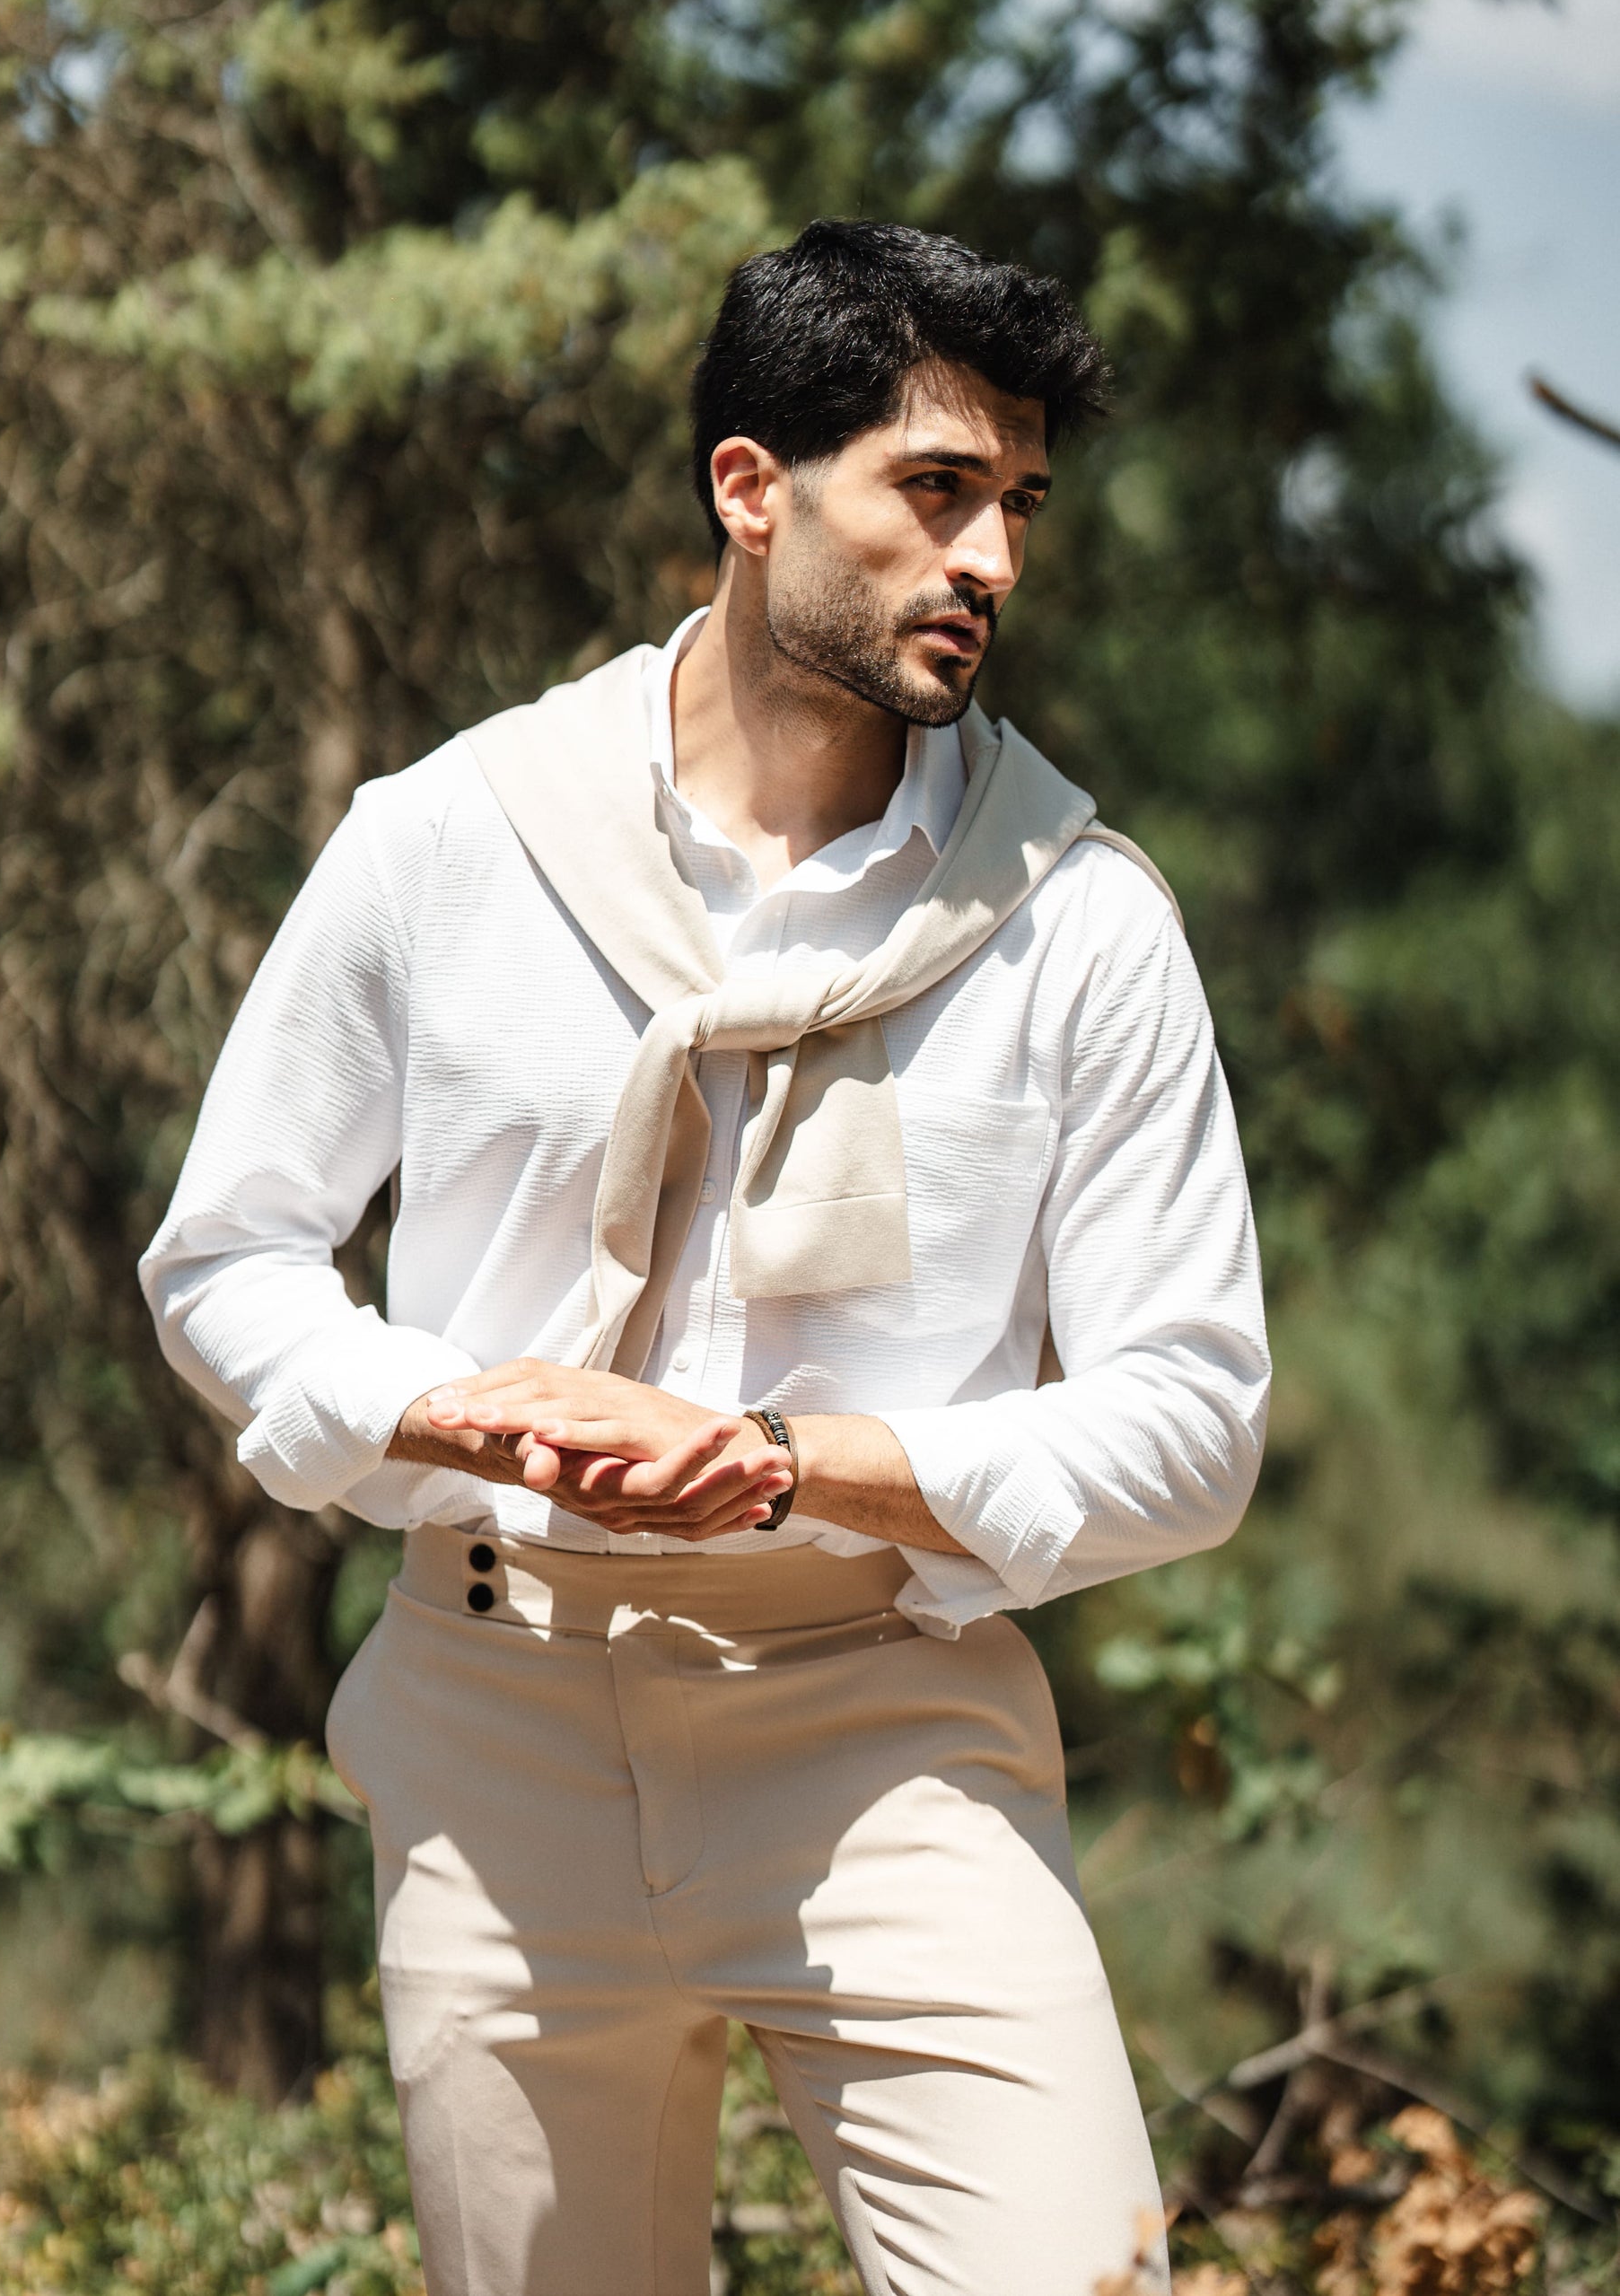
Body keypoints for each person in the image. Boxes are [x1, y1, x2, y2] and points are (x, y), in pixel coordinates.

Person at [141, 220, 1270, 2296]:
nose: (991, 558)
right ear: (751, 488)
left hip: (890, 1722)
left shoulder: (1079, 918)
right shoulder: (449, 841)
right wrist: (448, 1409)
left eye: (1019, 502)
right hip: (493, 1721)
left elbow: (1190, 1413)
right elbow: (228, 1255)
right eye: (935, 489)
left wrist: (777, 1467)